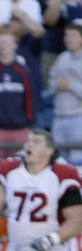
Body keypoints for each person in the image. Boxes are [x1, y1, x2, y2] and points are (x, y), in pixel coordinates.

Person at [0, 32, 34, 161]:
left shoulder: (24, 72)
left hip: (20, 129)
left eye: (6, 42)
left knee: (19, 169)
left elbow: (30, 99)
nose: (3, 46)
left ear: (15, 45)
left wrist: (28, 123)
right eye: (1, 43)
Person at [48, 21, 82, 162]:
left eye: (73, 35)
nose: (68, 39)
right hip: (59, 116)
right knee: (57, 161)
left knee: (78, 161)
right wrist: (56, 84)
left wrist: (71, 85)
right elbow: (50, 87)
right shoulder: (61, 58)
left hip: (78, 116)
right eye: (67, 35)